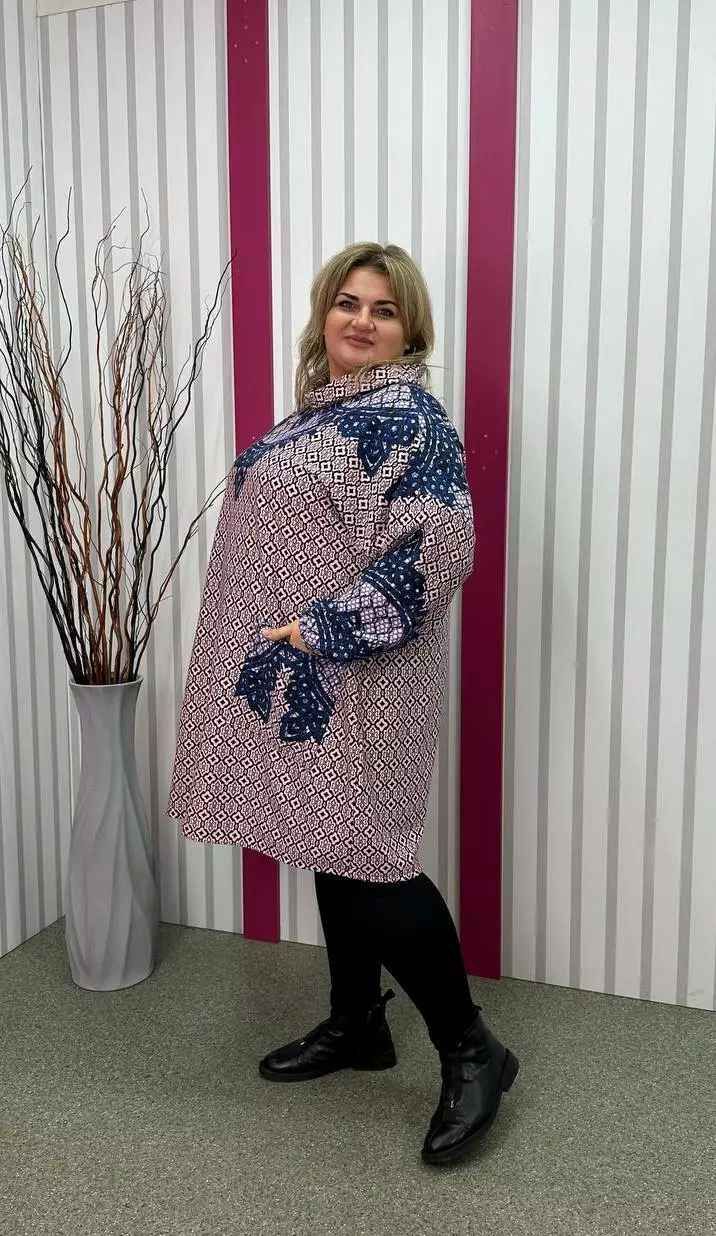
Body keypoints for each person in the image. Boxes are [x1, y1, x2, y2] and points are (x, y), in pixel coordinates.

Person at [168, 242, 518, 1165]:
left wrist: (328, 626)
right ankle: (358, 1020)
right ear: (324, 313)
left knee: (373, 857)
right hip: (301, 677)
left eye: (384, 309)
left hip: (362, 680)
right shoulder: (320, 412)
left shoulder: (410, 419)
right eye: (348, 302)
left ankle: (473, 1050)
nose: (362, 320)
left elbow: (442, 547)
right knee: (333, 843)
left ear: (411, 331)